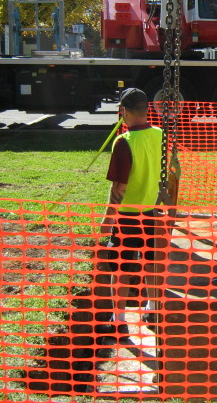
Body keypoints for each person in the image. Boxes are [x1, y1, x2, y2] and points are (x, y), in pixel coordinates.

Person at [97, 87, 164, 338]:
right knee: (151, 263)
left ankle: (119, 321)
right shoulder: (160, 134)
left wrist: (107, 219)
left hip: (127, 216)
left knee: (122, 269)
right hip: (152, 212)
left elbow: (119, 187)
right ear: (147, 110)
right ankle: (152, 309)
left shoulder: (124, 142)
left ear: (123, 111)